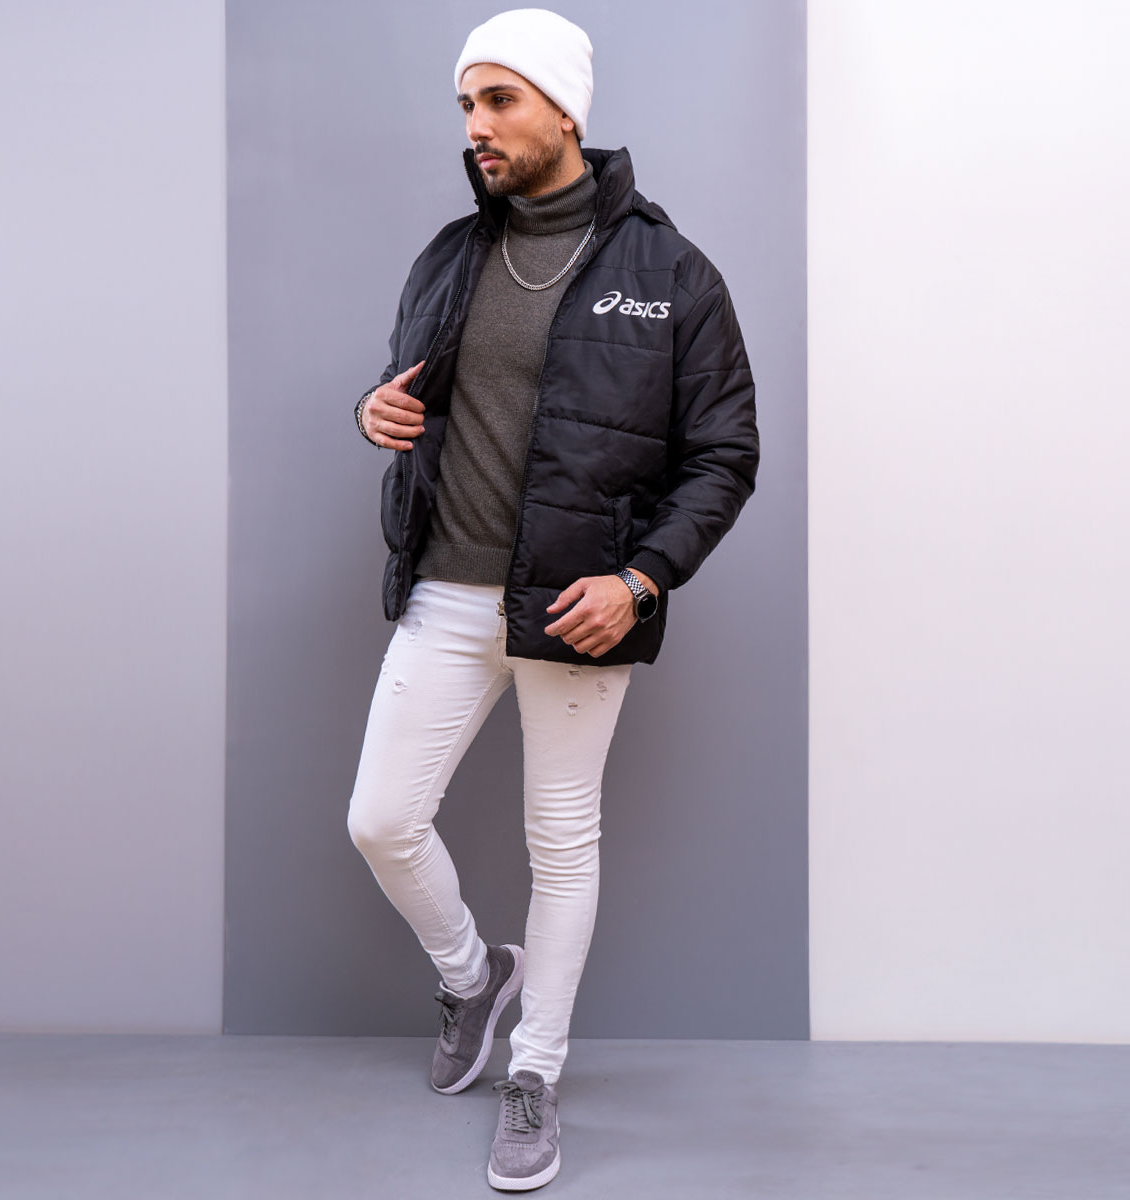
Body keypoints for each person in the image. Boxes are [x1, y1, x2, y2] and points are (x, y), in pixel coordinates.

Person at [346, 7, 758, 1190]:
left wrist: (640, 581)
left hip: (580, 606)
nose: (475, 126)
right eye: (466, 105)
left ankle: (535, 1073)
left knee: (561, 844)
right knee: (381, 820)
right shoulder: (448, 255)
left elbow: (724, 455)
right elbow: (412, 395)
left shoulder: (671, 273)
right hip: (447, 590)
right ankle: (473, 978)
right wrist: (376, 411)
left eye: (499, 101)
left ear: (563, 110)